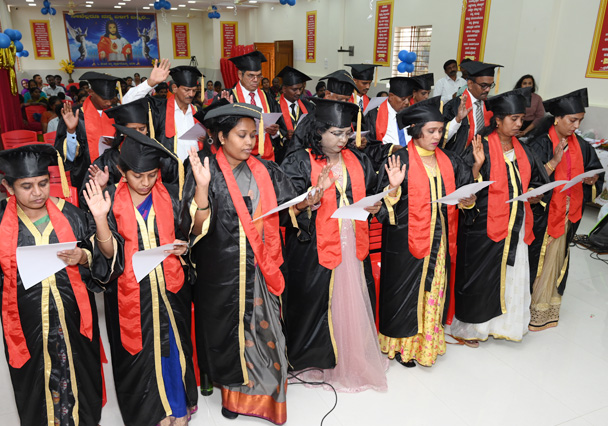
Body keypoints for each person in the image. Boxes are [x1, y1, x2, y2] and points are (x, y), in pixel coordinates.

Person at [0, 144, 120, 426]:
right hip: (27, 327)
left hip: (72, 323)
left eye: (42, 183)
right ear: (8, 187)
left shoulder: (71, 214)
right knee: (37, 389)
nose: (37, 193)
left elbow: (105, 261)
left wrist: (84, 255)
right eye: (26, 186)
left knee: (79, 384)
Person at [182, 103, 297, 424]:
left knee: (268, 334)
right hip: (223, 273)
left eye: (252, 135)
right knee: (231, 336)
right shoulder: (206, 172)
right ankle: (234, 398)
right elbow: (193, 227)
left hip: (262, 268)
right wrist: (202, 189)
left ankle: (269, 399)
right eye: (242, 135)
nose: (250, 142)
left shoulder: (265, 170)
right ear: (220, 136)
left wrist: (309, 202)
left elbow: (286, 212)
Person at [281, 98, 387, 391]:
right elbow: (281, 209)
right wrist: (307, 202)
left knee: (352, 299)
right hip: (313, 247)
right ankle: (313, 359)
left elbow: (372, 195)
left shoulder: (359, 160)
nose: (344, 139)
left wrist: (379, 203)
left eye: (347, 133)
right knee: (314, 302)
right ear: (318, 132)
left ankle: (351, 356)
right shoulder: (299, 161)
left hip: (352, 241)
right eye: (336, 133)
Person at [102, 125, 196, 426]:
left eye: (152, 175)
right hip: (130, 295)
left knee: (171, 347)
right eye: (137, 176)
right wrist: (98, 219)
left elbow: (187, 231)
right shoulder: (107, 204)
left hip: (169, 290)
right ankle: (152, 414)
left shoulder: (167, 196)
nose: (145, 182)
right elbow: (104, 258)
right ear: (121, 171)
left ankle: (177, 408)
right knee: (140, 356)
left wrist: (183, 247)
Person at [375, 96, 475, 367]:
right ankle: (401, 346)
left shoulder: (450, 160)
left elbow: (465, 192)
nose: (437, 136)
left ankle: (426, 343)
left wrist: (468, 200)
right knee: (404, 293)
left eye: (440, 130)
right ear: (416, 130)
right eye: (431, 131)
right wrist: (393, 188)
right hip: (404, 242)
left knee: (434, 289)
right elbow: (381, 206)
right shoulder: (399, 159)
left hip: (439, 241)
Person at [451, 88, 550, 345]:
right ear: (498, 120)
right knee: (481, 278)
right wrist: (476, 165)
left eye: (522, 119)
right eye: (514, 119)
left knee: (512, 275)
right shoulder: (479, 146)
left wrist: (535, 195)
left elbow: (536, 181)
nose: (519, 124)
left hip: (516, 225)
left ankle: (505, 325)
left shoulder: (524, 150)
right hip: (483, 227)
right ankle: (473, 328)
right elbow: (462, 187)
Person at [528, 88, 604, 331]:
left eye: (580, 120)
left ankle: (548, 306)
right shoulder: (541, 143)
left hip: (569, 214)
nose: (576, 125)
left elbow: (594, 171)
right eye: (572, 120)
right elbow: (530, 181)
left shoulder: (581, 146)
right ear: (557, 118)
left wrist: (591, 180)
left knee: (558, 259)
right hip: (544, 214)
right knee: (538, 259)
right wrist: (554, 162)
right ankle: (529, 308)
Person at [55, 71, 122, 189]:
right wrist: (71, 131)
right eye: (104, 98)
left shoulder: (117, 114)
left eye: (111, 99)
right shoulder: (74, 115)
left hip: (115, 174)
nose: (108, 103)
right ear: (91, 92)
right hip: (85, 176)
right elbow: (69, 157)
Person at [227, 51, 280, 161]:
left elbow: (280, 125)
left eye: (258, 76)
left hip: (266, 155)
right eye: (251, 76)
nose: (256, 80)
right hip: (239, 158)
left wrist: (275, 131)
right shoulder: (229, 97)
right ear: (240, 75)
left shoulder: (268, 97)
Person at [443, 61, 503, 153]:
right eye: (483, 85)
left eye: (491, 85)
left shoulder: (491, 106)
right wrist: (457, 120)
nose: (488, 90)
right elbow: (440, 139)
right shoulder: (453, 106)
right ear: (470, 84)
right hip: (458, 159)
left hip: (484, 157)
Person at [364, 77, 419, 170]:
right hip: (385, 165)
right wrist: (391, 149)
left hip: (412, 163)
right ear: (391, 96)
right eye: (403, 99)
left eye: (409, 98)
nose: (407, 102)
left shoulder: (413, 113)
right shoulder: (374, 115)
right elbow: (369, 147)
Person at [274, 66, 314, 164]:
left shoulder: (309, 107)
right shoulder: (274, 107)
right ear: (284, 89)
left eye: (300, 89)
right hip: (282, 157)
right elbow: (270, 132)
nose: (299, 92)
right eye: (294, 89)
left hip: (304, 156)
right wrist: (284, 136)